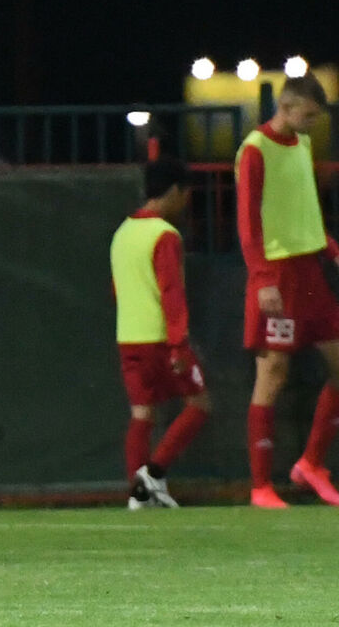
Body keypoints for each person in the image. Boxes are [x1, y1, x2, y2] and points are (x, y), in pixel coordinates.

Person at [237, 72, 339, 509]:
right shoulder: (255, 149)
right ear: (286, 107)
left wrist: (332, 249)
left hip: (309, 273)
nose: (313, 123)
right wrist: (262, 279)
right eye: (308, 115)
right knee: (273, 373)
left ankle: (311, 464)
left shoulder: (303, 144)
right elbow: (247, 222)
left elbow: (303, 210)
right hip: (276, 274)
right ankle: (261, 486)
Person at [109, 157, 211, 509]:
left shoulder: (122, 232)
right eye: (185, 193)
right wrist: (178, 345)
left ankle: (138, 495)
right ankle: (154, 473)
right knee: (199, 404)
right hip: (160, 339)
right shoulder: (164, 235)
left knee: (142, 414)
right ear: (174, 191)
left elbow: (117, 289)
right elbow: (172, 292)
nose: (186, 201)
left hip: (128, 337)